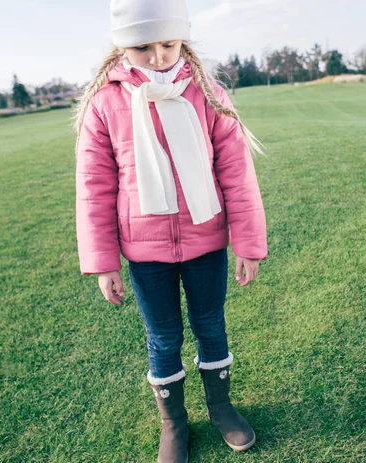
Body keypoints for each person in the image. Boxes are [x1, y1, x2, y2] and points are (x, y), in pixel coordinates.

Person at [73, 0, 267, 461]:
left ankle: (221, 409)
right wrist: (104, 263)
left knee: (211, 326)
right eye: (143, 47)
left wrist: (247, 243)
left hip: (206, 242)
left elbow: (237, 174)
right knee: (162, 338)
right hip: (144, 253)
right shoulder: (105, 103)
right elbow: (94, 188)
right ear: (123, 45)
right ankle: (173, 424)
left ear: (183, 39)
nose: (159, 57)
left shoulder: (209, 92)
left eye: (168, 44)